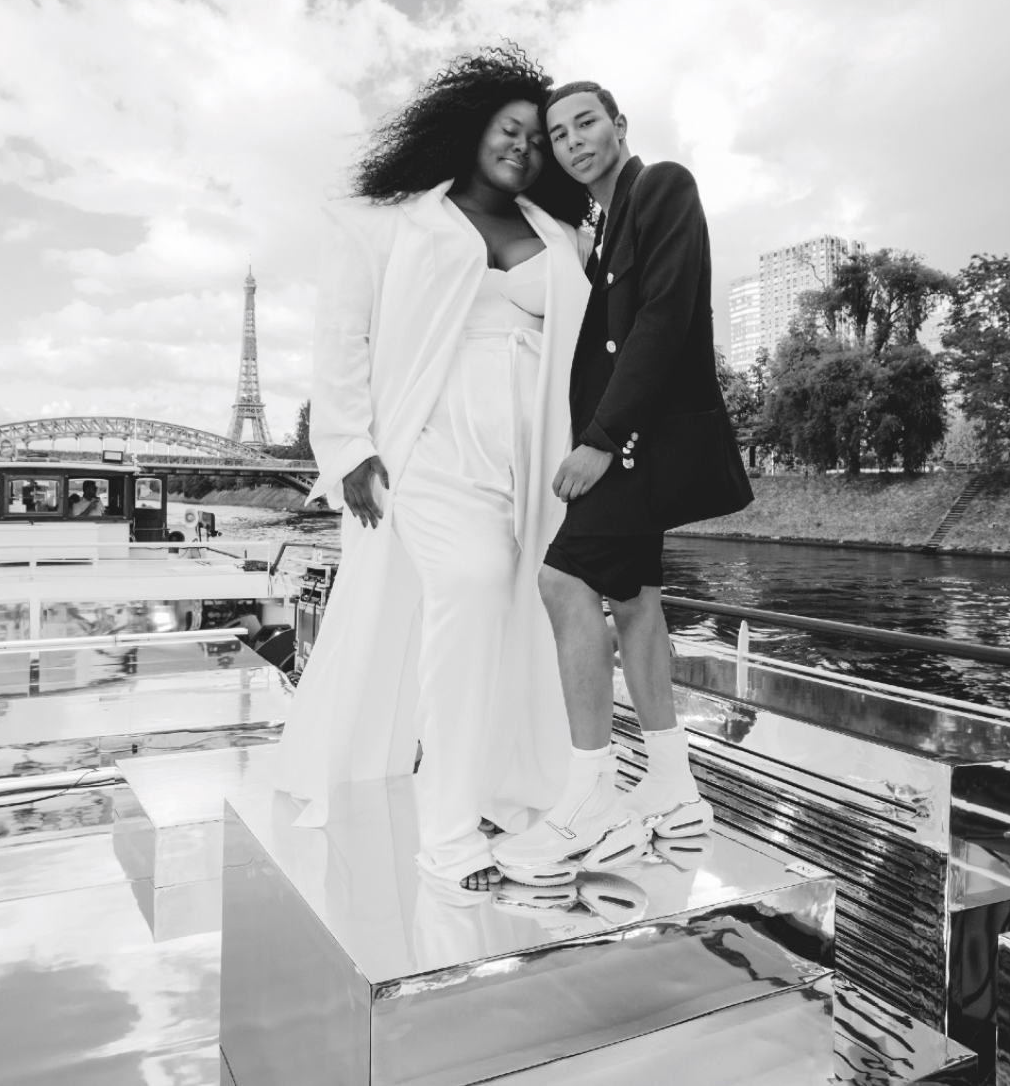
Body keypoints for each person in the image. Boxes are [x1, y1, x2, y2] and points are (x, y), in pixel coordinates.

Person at [275, 45, 593, 889]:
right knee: (474, 590)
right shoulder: (391, 221)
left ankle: (507, 791)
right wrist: (349, 447)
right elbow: (342, 338)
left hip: (534, 459)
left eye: (539, 139)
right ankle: (447, 830)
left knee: (521, 618)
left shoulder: (559, 233)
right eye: (510, 128)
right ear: (471, 126)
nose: (524, 146)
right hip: (432, 449)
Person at [494, 80, 753, 881]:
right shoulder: (601, 228)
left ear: (619, 125)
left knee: (562, 580)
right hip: (632, 446)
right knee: (636, 602)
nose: (573, 140)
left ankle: (588, 802)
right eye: (559, 133)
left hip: (640, 447)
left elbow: (664, 318)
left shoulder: (663, 185)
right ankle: (674, 787)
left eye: (586, 123)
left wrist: (602, 440)